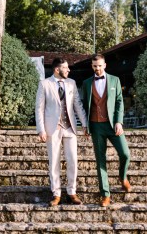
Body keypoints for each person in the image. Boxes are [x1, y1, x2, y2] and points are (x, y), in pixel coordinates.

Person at [35, 57, 87, 206]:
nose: (69, 70)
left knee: (72, 161)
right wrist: (41, 130)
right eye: (66, 68)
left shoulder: (71, 83)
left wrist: (84, 124)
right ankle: (56, 193)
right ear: (57, 69)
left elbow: (77, 104)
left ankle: (72, 191)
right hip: (52, 128)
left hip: (70, 127)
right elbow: (39, 108)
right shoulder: (44, 84)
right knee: (54, 162)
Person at [82, 53, 131, 207]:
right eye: (95, 66)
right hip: (96, 126)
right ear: (92, 66)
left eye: (100, 65)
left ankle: (122, 178)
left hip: (112, 125)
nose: (97, 68)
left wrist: (119, 122)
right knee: (100, 161)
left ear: (105, 65)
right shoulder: (87, 83)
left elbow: (119, 102)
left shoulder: (115, 80)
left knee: (125, 154)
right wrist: (85, 126)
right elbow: (85, 106)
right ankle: (105, 194)